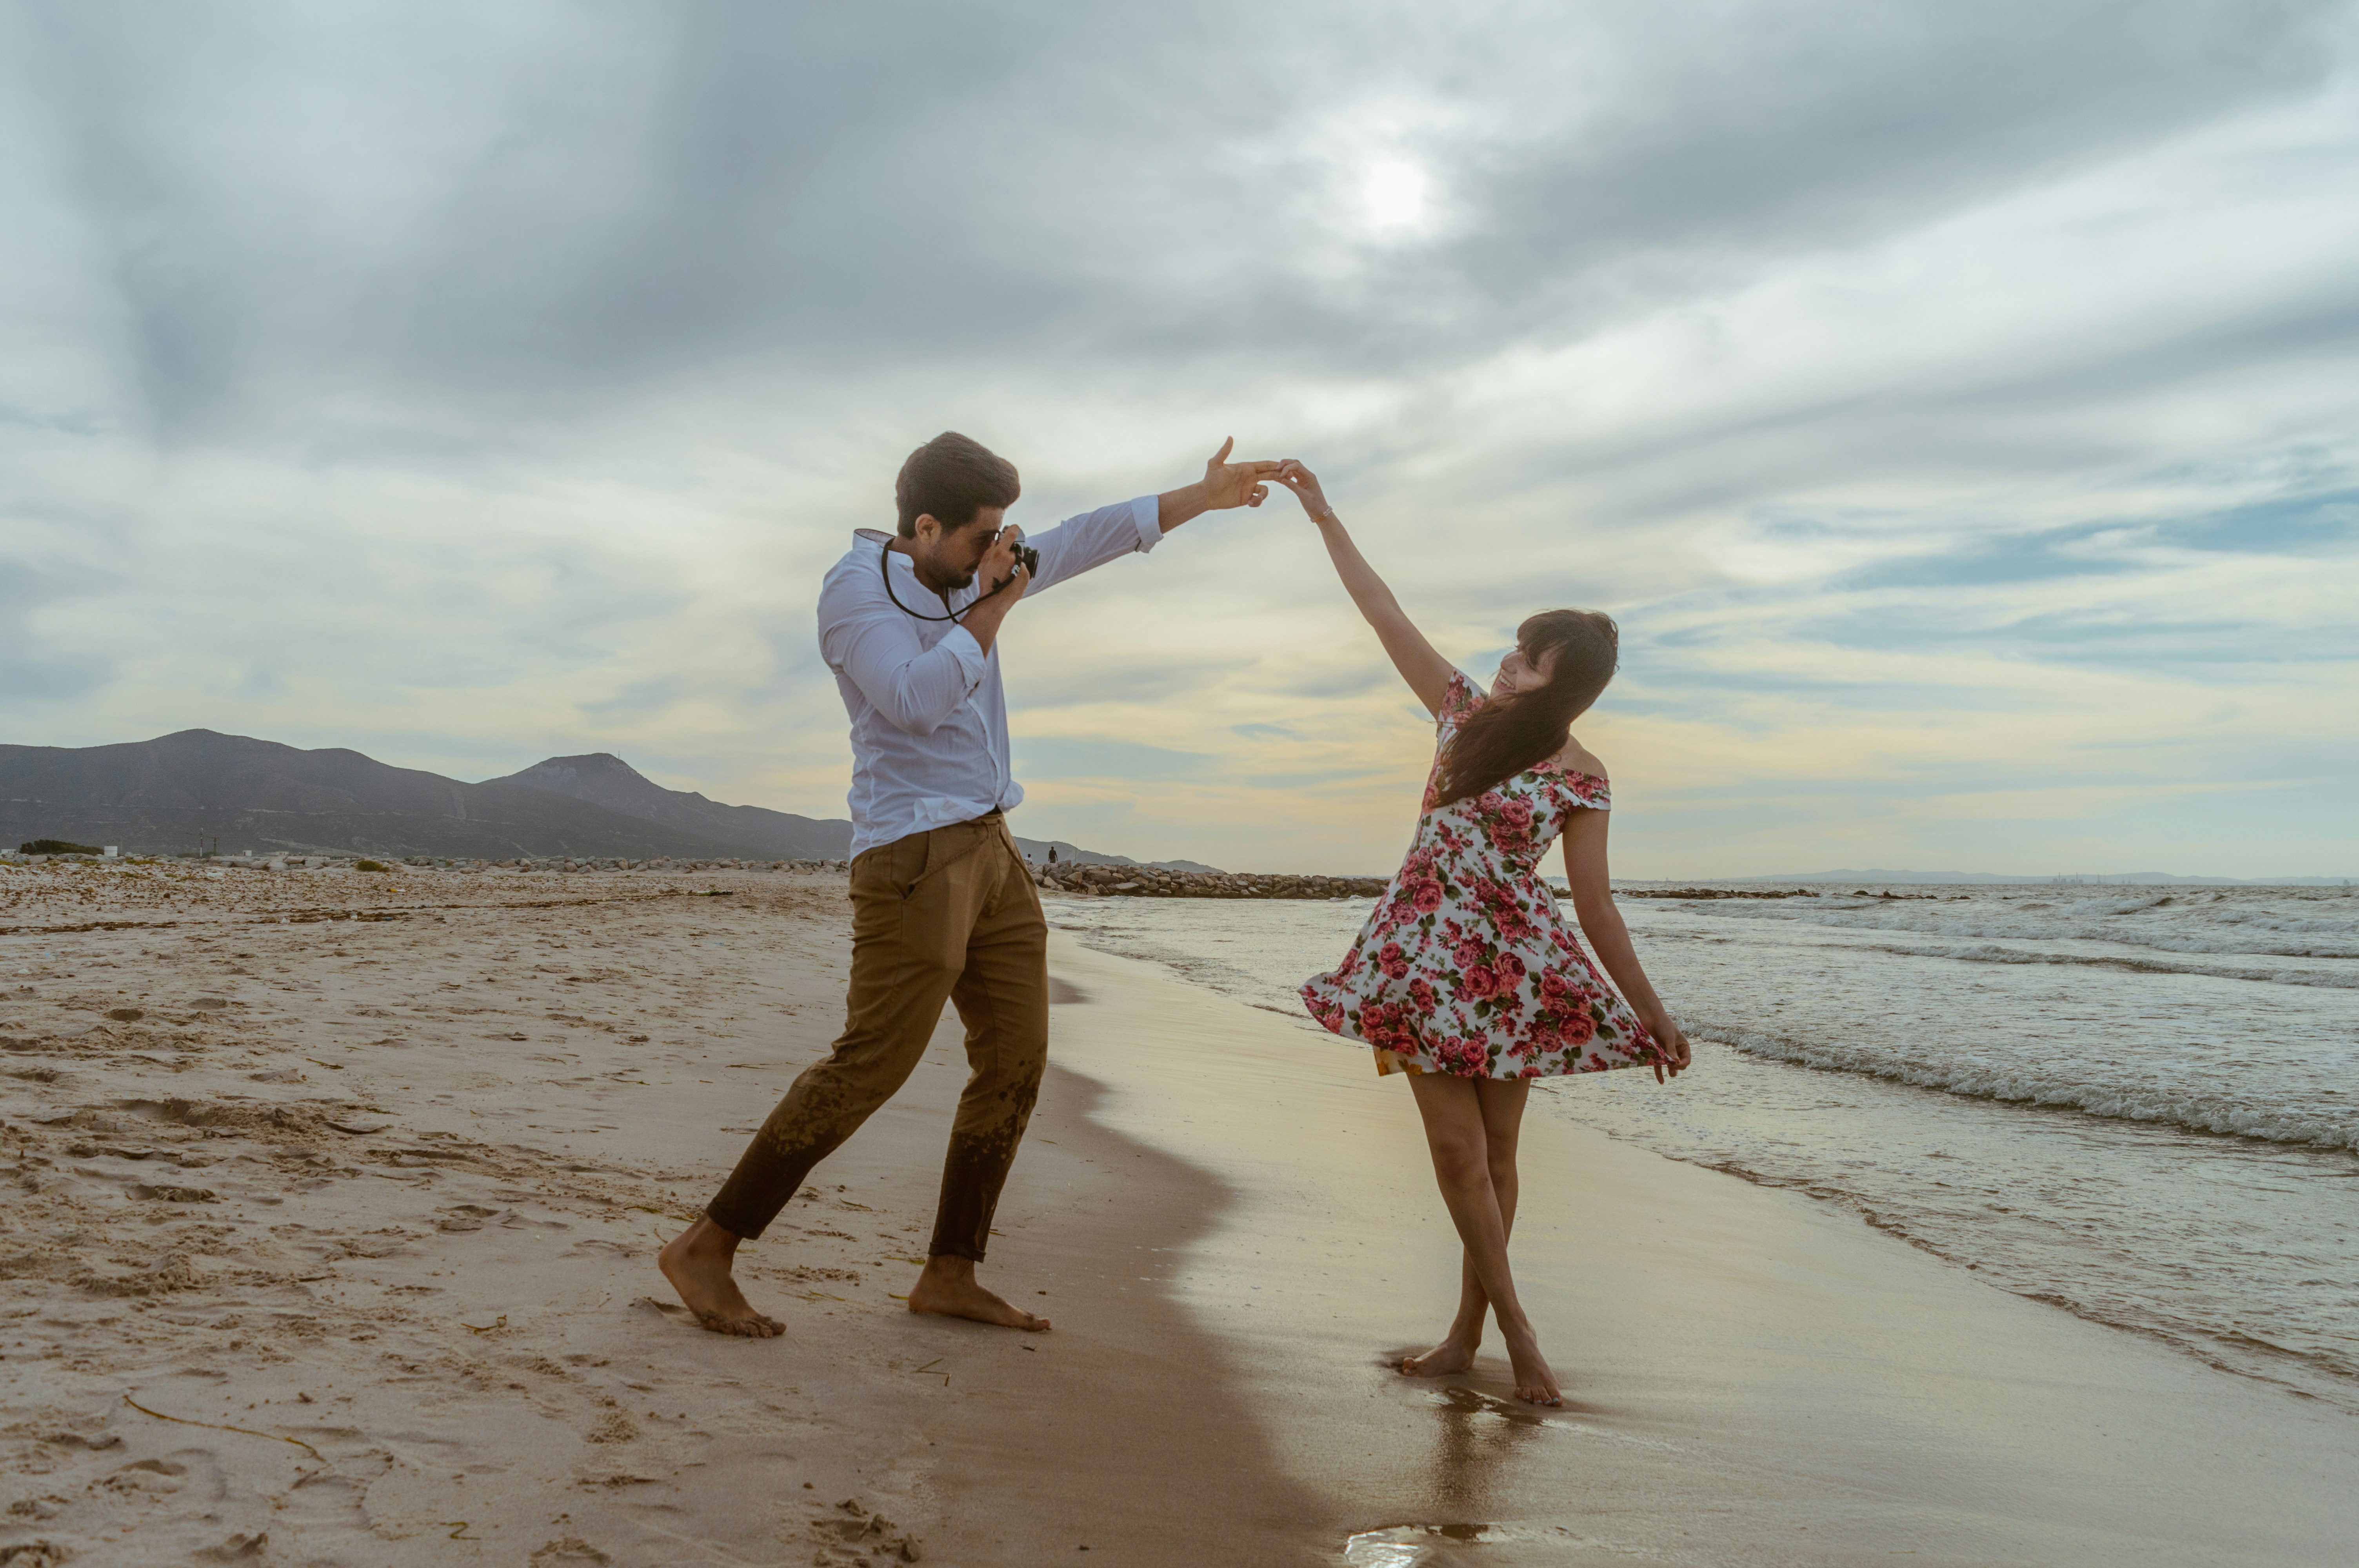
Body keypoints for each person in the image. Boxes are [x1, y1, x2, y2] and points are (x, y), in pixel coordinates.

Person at [660, 431, 1277, 1337]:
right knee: (870, 1063)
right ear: (923, 527)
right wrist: (990, 610)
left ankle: (950, 1270)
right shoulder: (852, 595)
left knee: (1018, 1062)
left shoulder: (979, 561)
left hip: (992, 847)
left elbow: (1089, 536)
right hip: (910, 855)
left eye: (1004, 535)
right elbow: (911, 699)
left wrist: (1202, 495)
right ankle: (708, 1245)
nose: (1002, 550)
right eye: (981, 536)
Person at [1277, 458, 1692, 1406]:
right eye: (1511, 651)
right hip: (1417, 960)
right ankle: (1518, 1330)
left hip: (1509, 971)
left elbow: (1594, 907)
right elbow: (1382, 610)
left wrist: (1652, 1013)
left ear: (1560, 685)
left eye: (1525, 657)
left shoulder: (1583, 777)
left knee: (1500, 1159)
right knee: (1459, 1155)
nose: (1505, 663)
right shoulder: (1462, 716)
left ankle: (1466, 1333)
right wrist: (1324, 516)